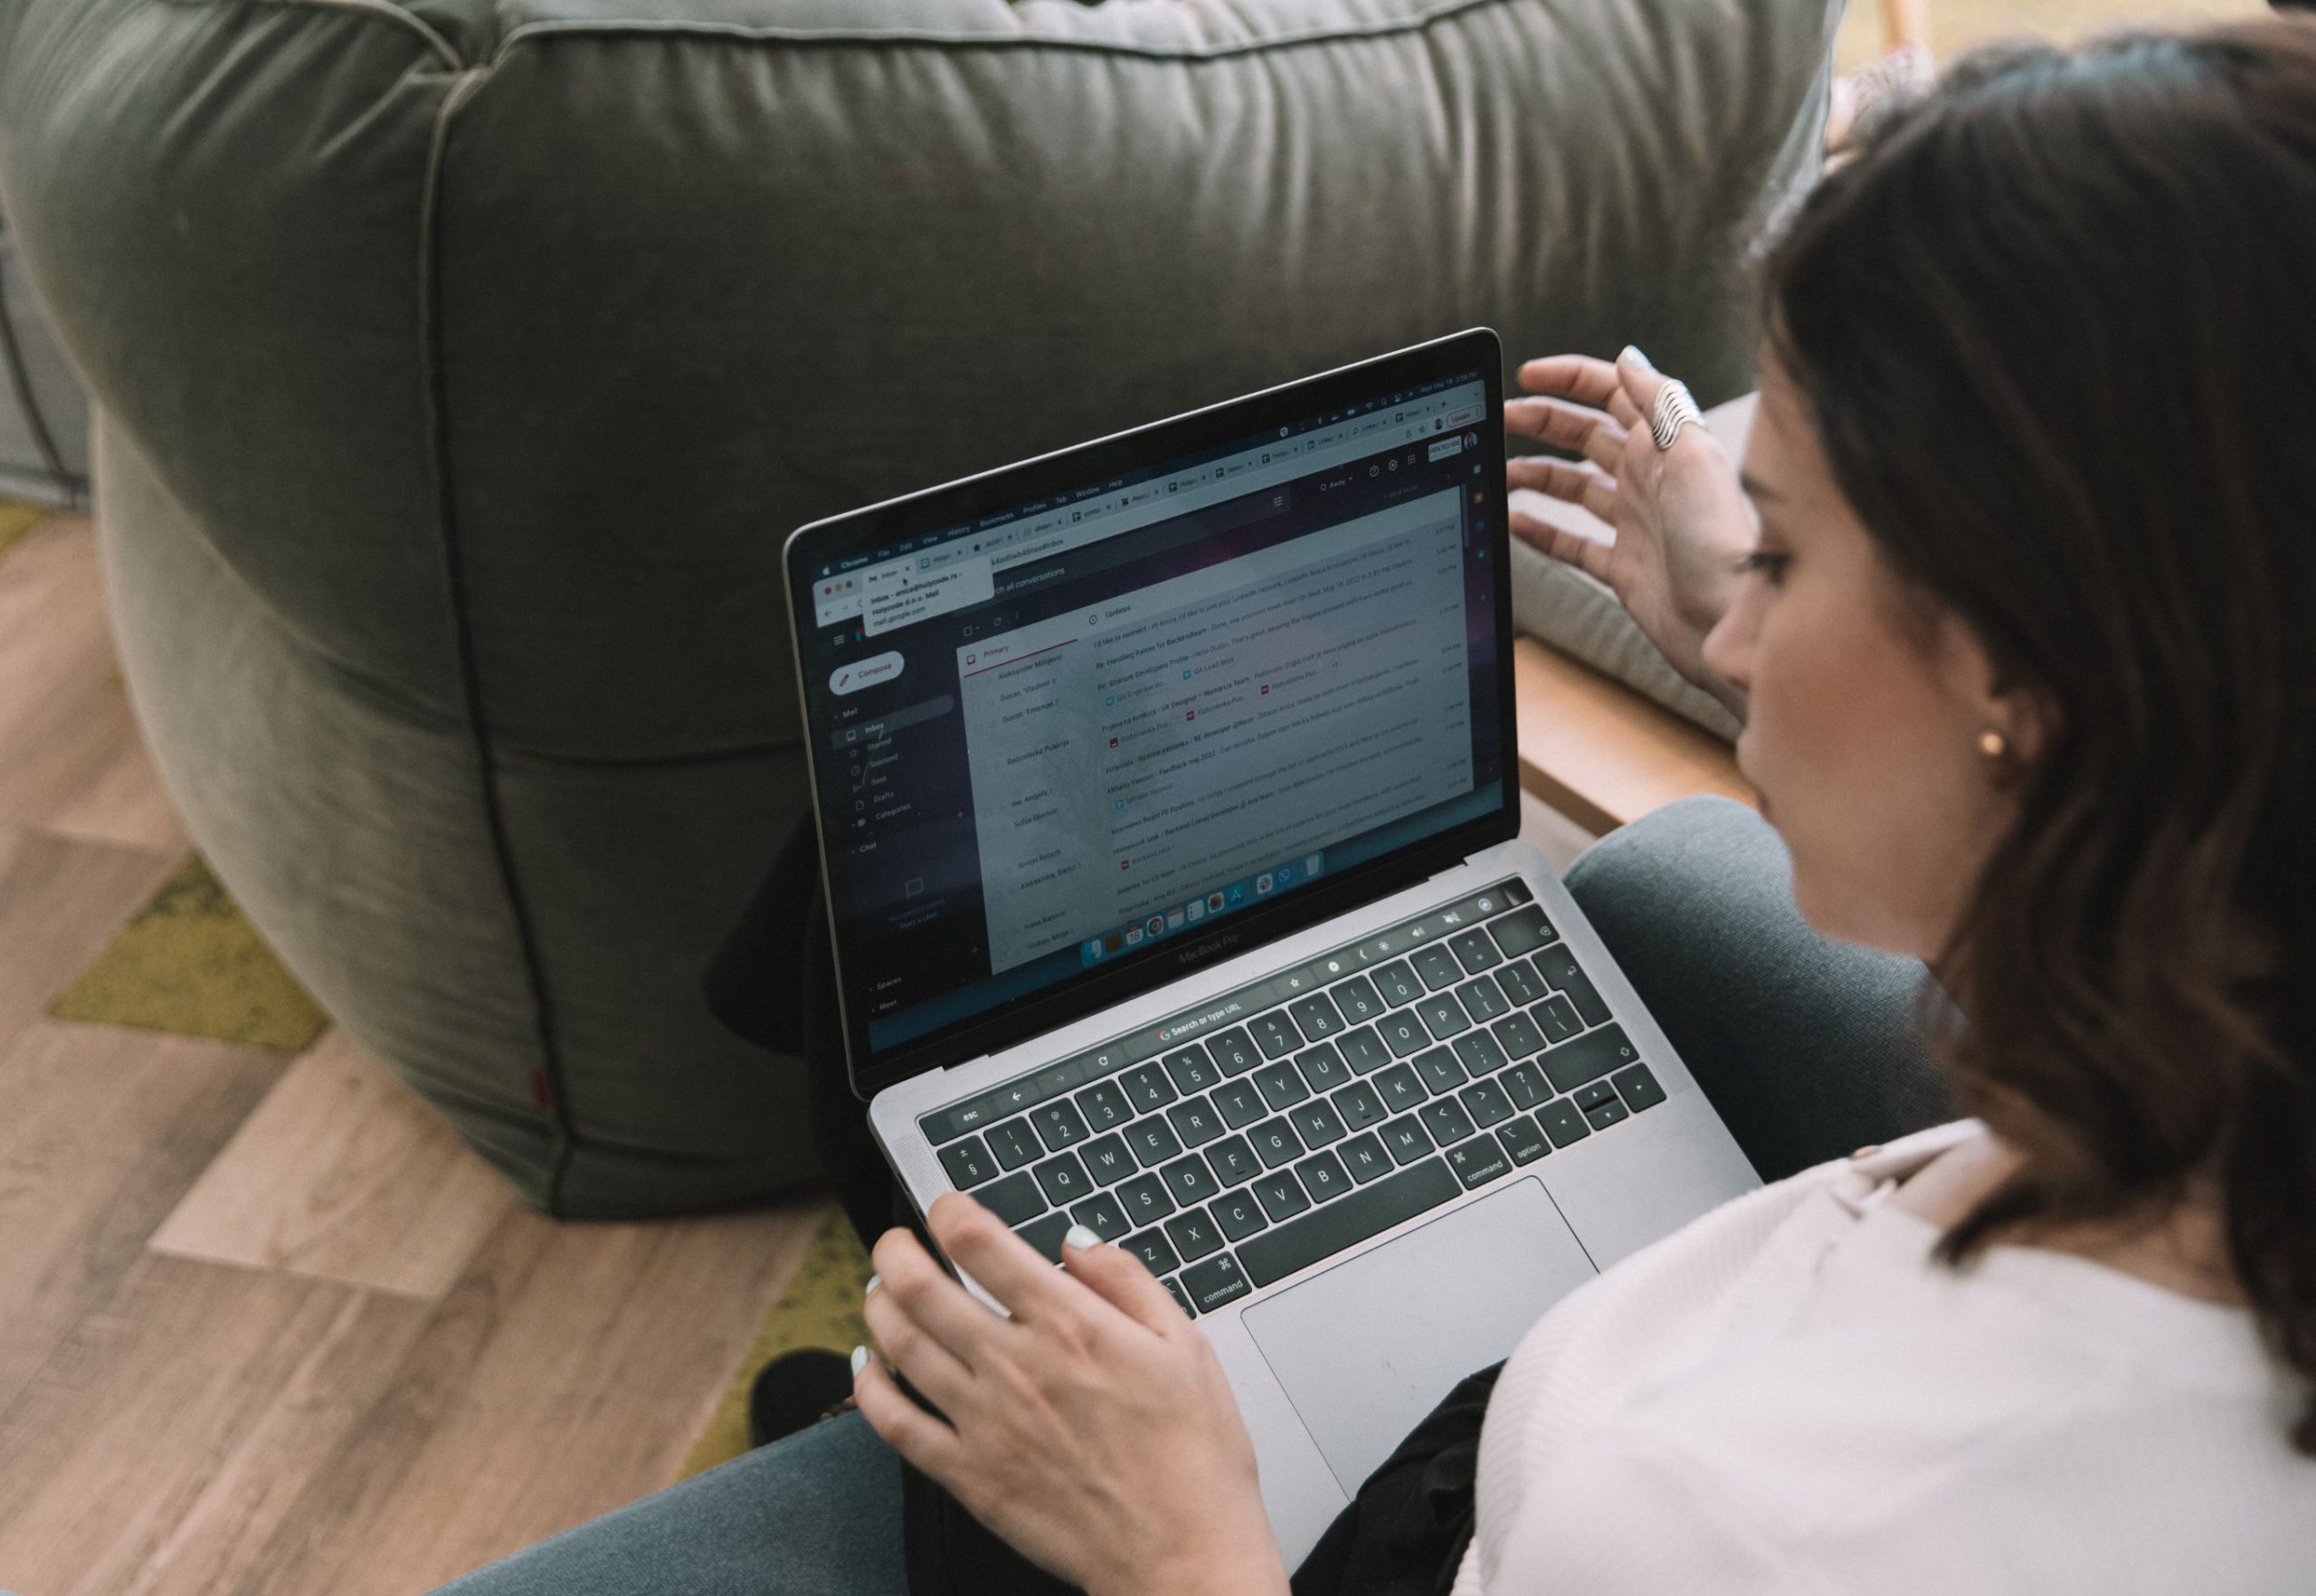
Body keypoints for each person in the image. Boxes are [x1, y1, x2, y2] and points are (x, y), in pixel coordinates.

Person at [440, 17, 2316, 1595]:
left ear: (2025, 696)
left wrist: (1183, 1547)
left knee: (888, 926)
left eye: (1789, 547)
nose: (1722, 624)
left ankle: (922, 1402)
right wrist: (1766, 612)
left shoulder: (1740, 1525)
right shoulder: (2223, 1032)